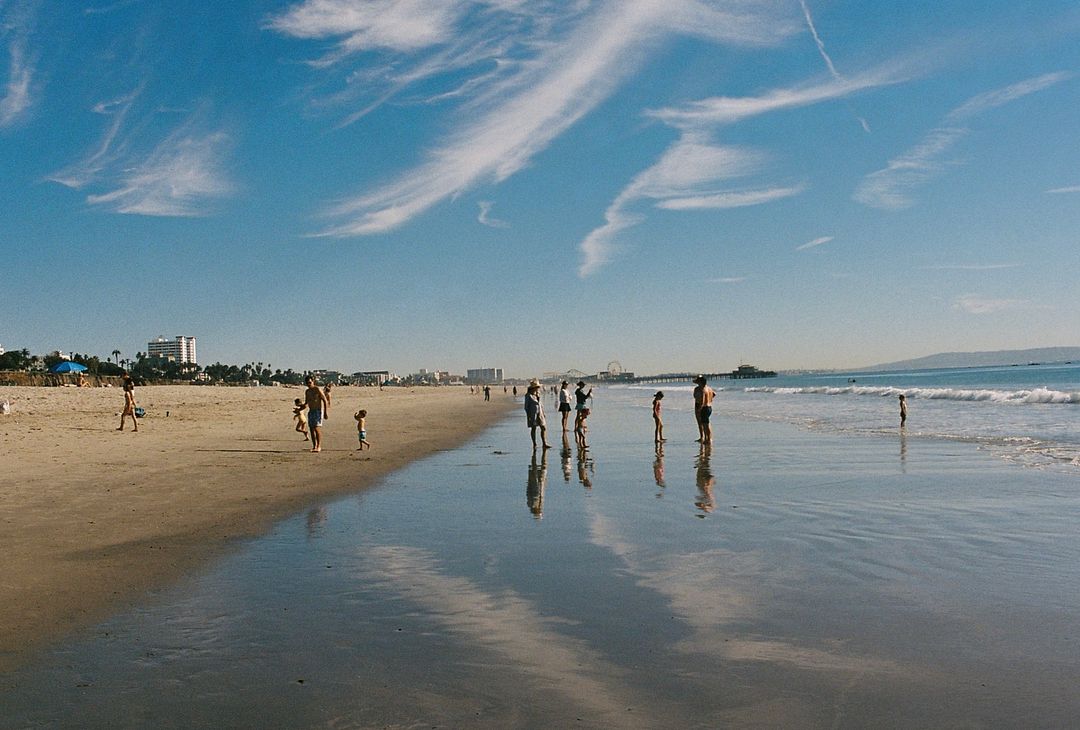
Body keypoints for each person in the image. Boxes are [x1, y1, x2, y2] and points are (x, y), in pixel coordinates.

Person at [302, 376, 330, 452]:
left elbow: (325, 400)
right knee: (311, 429)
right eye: (307, 383)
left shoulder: (317, 389)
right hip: (311, 411)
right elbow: (306, 403)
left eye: (310, 382)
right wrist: (300, 408)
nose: (309, 384)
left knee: (317, 429)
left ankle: (319, 446)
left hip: (317, 411)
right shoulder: (307, 391)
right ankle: (314, 446)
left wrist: (325, 412)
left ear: (313, 381)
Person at [523, 380, 551, 450]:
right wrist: (528, 416)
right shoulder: (528, 395)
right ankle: (534, 444)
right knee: (534, 428)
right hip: (533, 414)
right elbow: (526, 407)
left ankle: (544, 443)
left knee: (543, 427)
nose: (538, 388)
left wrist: (543, 413)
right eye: (537, 387)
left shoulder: (538, 394)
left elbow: (541, 405)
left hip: (540, 413)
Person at [693, 375, 716, 443]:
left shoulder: (702, 389)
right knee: (706, 424)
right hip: (709, 407)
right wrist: (710, 400)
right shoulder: (709, 388)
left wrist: (700, 408)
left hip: (703, 407)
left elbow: (702, 399)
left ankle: (708, 439)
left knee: (705, 425)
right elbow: (714, 394)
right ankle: (707, 438)